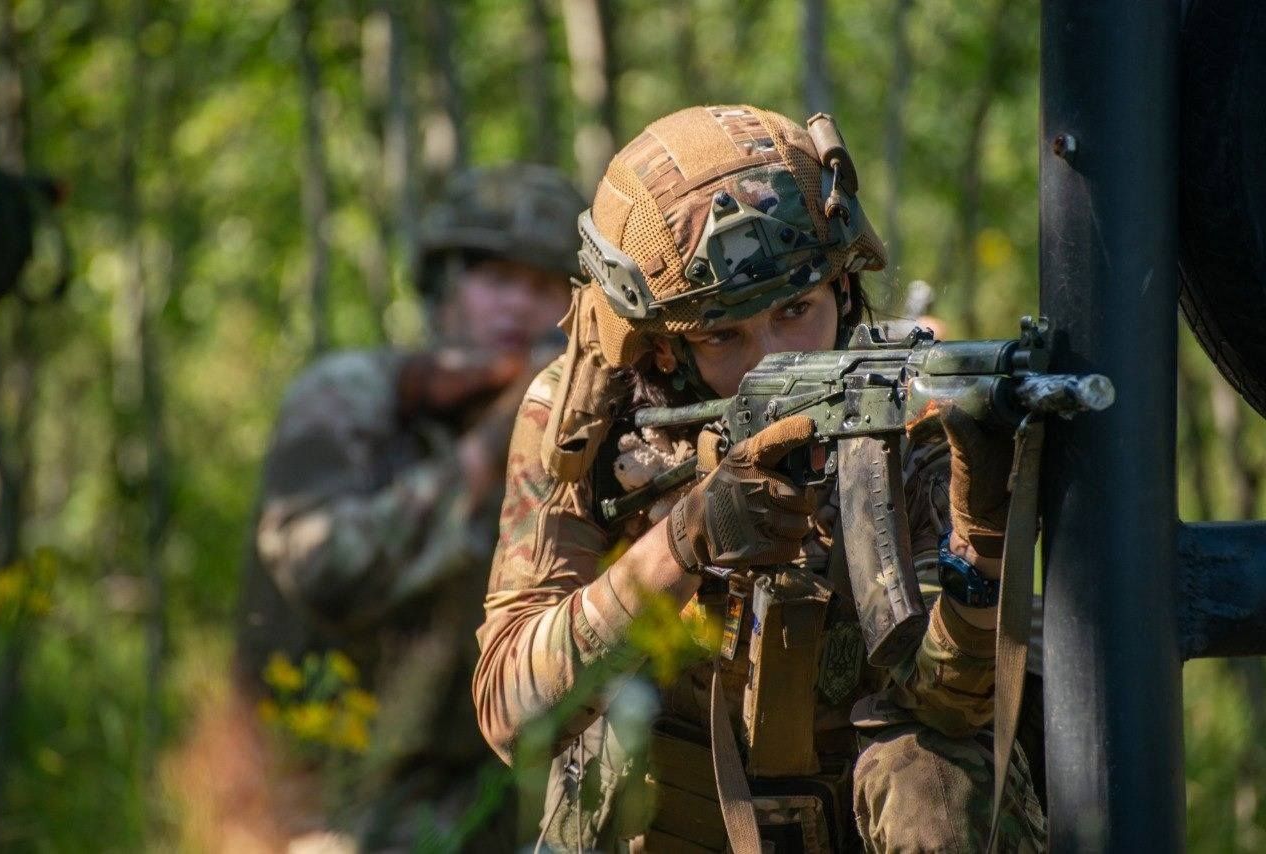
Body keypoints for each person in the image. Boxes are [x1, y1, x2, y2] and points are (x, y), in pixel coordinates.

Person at [473, 106, 1047, 851]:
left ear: (843, 289)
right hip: (673, 811)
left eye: (796, 310)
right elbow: (511, 716)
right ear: (666, 351)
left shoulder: (906, 403)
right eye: (723, 335)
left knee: (932, 774)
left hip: (868, 807)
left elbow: (953, 700)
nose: (770, 358)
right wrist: (684, 542)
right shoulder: (587, 419)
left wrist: (986, 534)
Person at [231, 163, 585, 851]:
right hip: (320, 804)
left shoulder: (573, 433)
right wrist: (494, 442)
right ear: (445, 287)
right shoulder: (353, 395)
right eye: (496, 278)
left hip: (486, 806)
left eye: (544, 286)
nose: (519, 305)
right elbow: (328, 570)